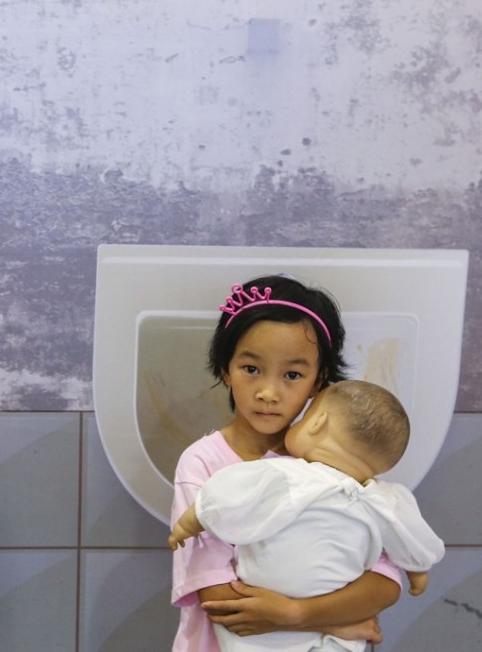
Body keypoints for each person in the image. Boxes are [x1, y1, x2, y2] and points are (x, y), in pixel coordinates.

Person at [170, 276, 403, 652]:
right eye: (251, 369)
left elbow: (383, 581)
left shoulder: (341, 462)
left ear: (318, 381)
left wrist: (294, 614)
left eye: (292, 375)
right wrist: (336, 619)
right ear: (226, 369)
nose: (268, 392)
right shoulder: (204, 463)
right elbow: (217, 598)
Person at [170, 379, 445, 651]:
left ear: (316, 423)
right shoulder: (384, 500)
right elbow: (415, 539)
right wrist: (418, 570)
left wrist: (190, 522)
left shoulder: (287, 473)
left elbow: (226, 498)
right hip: (334, 625)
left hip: (254, 631)